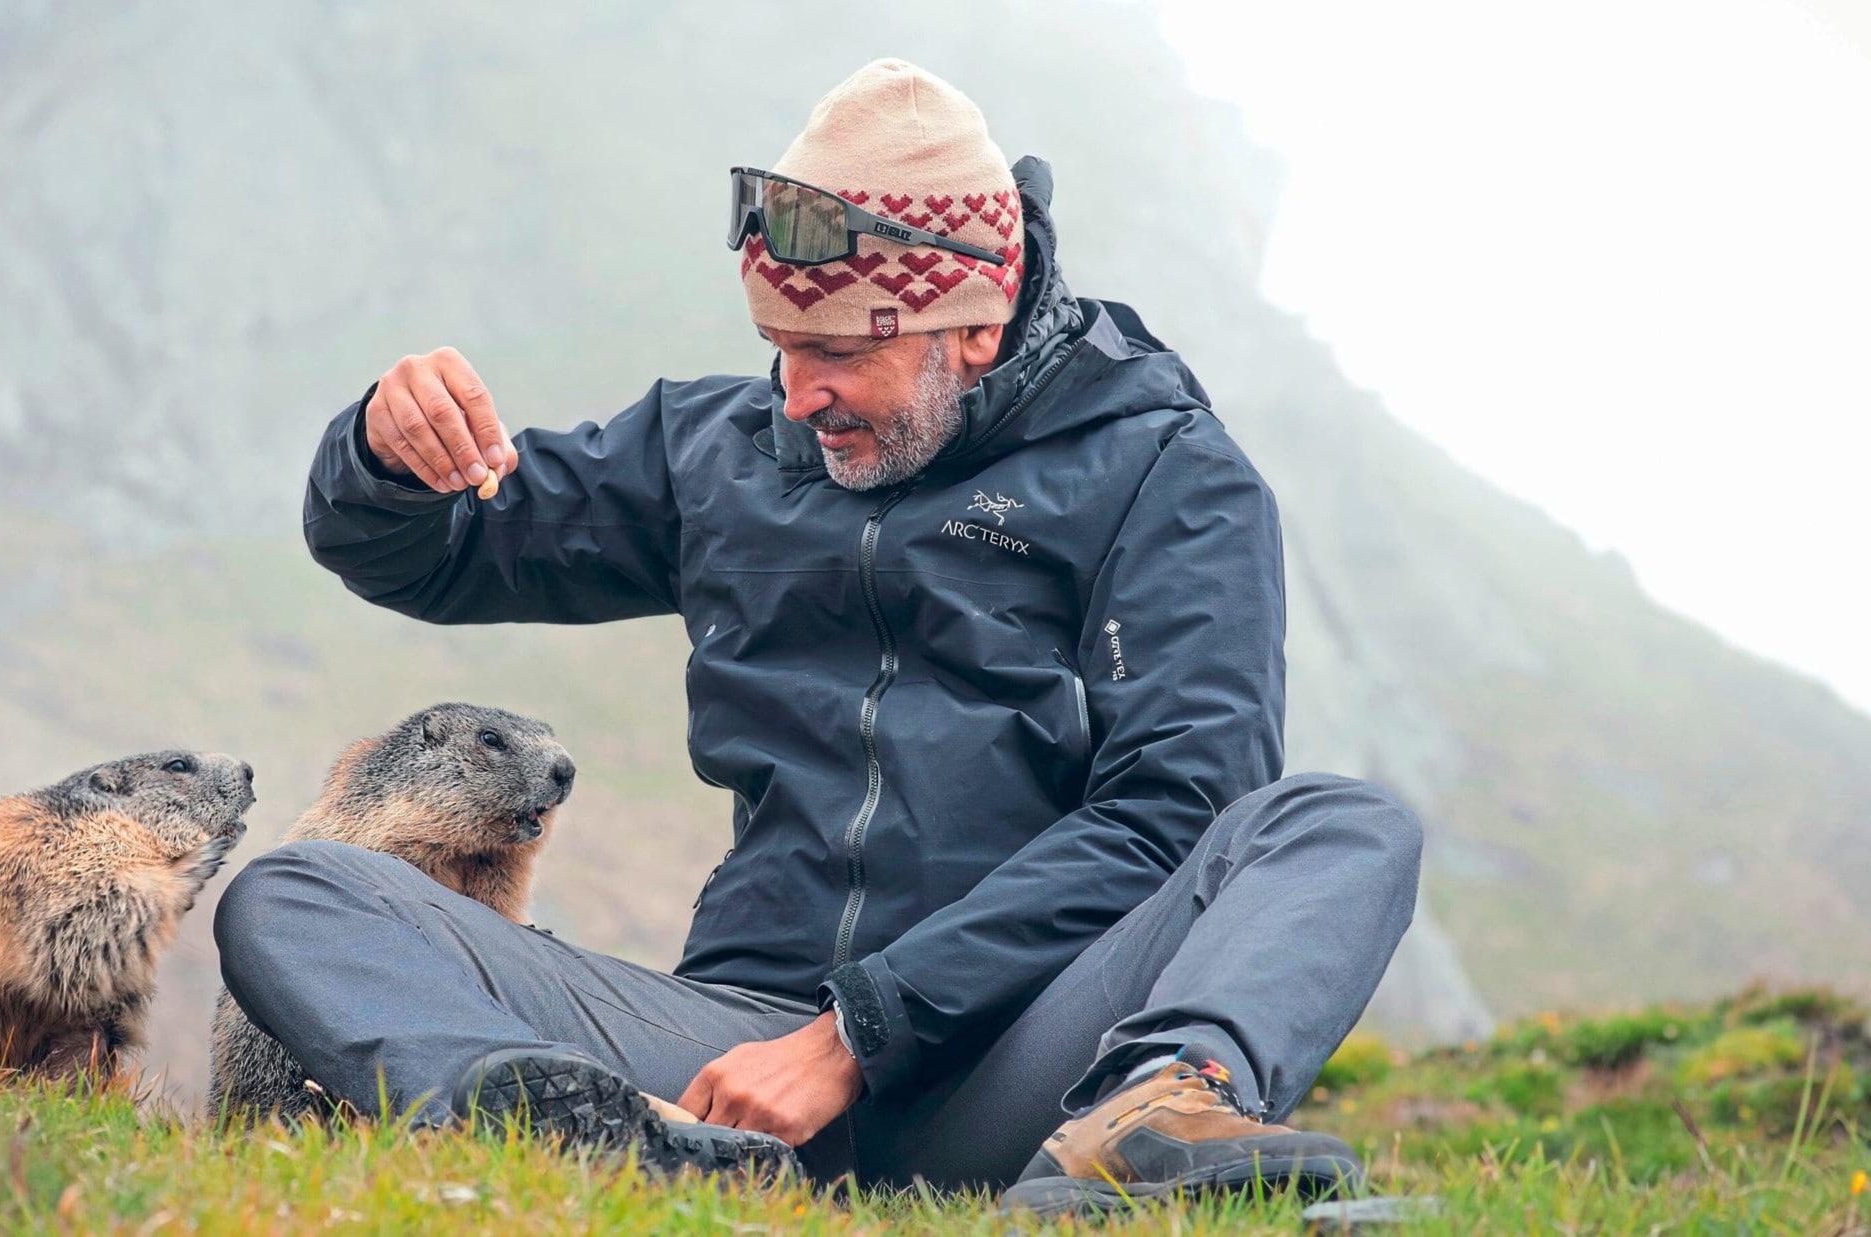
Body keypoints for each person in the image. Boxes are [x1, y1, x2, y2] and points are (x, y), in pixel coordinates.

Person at [214, 58, 1422, 1215]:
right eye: (780, 348)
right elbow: (426, 548)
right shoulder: (718, 451)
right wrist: (383, 453)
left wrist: (856, 1035)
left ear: (975, 325)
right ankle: (584, 1135)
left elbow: (1172, 810)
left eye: (838, 353)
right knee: (300, 893)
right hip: (729, 1056)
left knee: (1336, 827)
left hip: (1022, 1062)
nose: (794, 396)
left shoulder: (1168, 474)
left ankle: (1159, 1120)